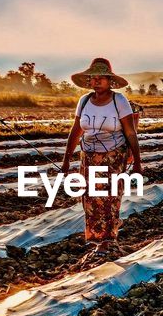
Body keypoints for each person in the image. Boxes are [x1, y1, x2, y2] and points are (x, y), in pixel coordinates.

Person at [61, 58, 143, 257]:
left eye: (101, 78)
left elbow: (130, 133)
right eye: (93, 78)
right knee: (89, 197)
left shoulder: (119, 101)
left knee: (109, 197)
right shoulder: (85, 101)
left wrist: (138, 163)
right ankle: (96, 237)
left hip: (113, 156)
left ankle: (107, 240)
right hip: (88, 155)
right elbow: (76, 130)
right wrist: (66, 160)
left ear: (109, 81)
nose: (96, 82)